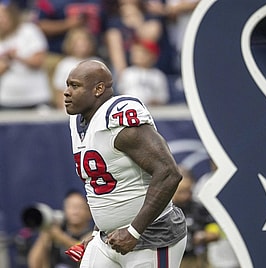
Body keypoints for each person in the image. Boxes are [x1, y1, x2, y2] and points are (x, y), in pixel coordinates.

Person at [63, 59, 186, 267]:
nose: (66, 92)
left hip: (152, 236)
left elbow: (169, 173)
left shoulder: (118, 120)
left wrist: (134, 231)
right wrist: (98, 228)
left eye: (75, 86)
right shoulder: (78, 121)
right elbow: (109, 185)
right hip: (108, 238)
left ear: (99, 89)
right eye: (67, 85)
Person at [0, 2, 52, 109]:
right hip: (7, 100)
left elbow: (38, 61)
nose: (1, 20)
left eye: (3, 16)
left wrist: (17, 57)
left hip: (36, 98)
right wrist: (6, 60)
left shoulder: (29, 30)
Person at [27, 190, 93, 268]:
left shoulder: (92, 235)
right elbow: (34, 264)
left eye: (79, 207)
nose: (75, 211)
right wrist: (44, 234)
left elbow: (83, 255)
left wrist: (58, 236)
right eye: (71, 206)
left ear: (89, 212)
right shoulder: (57, 232)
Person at [173, 166, 218, 268]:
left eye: (188, 191)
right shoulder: (165, 211)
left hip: (196, 259)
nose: (185, 196)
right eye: (181, 191)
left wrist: (204, 236)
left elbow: (214, 230)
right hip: (174, 260)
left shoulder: (198, 208)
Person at [52, 27, 99, 110]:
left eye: (84, 43)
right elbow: (59, 90)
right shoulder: (64, 64)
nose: (81, 47)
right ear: (71, 45)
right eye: (78, 44)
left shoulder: (97, 63)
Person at [117, 38, 170, 106]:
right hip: (130, 109)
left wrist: (155, 101)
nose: (137, 55)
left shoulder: (158, 75)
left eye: (142, 52)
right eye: (135, 52)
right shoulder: (127, 73)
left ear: (152, 56)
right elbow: (121, 93)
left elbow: (163, 98)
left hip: (153, 111)